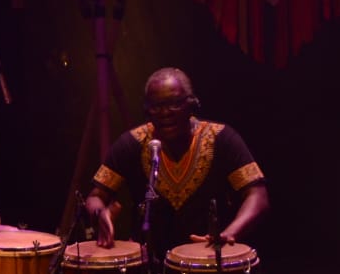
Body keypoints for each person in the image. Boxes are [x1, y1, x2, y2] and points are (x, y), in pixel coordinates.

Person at [84, 68, 268, 261]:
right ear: (147, 110)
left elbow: (258, 195)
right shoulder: (131, 144)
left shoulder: (222, 139)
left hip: (211, 263)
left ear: (192, 103)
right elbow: (96, 196)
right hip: (148, 268)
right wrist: (99, 213)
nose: (165, 113)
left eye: (175, 104)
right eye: (156, 106)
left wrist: (230, 233)